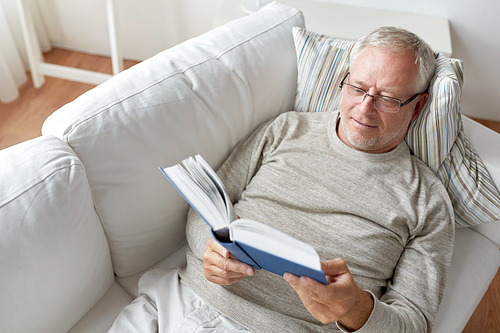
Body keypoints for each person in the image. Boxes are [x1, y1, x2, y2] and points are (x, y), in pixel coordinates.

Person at [109, 27, 455, 333]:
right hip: (180, 301)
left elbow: (414, 322)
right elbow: (210, 203)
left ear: (418, 105)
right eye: (358, 87)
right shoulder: (287, 129)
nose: (364, 108)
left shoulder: (428, 200)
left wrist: (356, 309)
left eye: (389, 99)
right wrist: (208, 249)